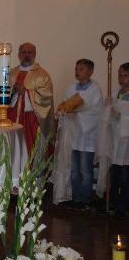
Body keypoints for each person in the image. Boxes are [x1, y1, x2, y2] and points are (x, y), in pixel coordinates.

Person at [53, 59, 102, 208]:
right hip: (73, 136)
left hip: (88, 136)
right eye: (76, 69)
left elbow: (94, 111)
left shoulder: (95, 90)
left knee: (85, 170)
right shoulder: (70, 88)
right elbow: (66, 106)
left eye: (81, 69)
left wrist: (75, 111)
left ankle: (84, 199)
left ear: (90, 71)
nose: (77, 71)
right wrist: (64, 110)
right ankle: (74, 197)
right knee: (73, 169)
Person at [7, 42, 55, 153]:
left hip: (32, 119)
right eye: (23, 52)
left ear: (35, 54)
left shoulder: (42, 75)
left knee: (31, 148)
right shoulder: (12, 73)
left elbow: (46, 97)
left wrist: (26, 92)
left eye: (29, 52)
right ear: (19, 55)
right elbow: (3, 93)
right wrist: (13, 90)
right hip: (12, 116)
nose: (26, 55)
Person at [98, 63, 129, 218]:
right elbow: (107, 117)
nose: (121, 78)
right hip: (115, 139)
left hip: (126, 141)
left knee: (125, 177)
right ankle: (112, 202)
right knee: (114, 174)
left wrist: (120, 116)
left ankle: (123, 207)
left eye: (125, 75)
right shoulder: (115, 93)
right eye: (119, 75)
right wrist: (108, 109)